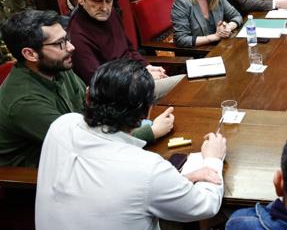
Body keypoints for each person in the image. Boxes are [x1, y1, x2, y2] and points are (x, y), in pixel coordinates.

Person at [35, 59, 226, 230]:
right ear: (146, 114)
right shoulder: (146, 168)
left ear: (89, 95)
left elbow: (107, 180)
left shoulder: (61, 126)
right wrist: (213, 158)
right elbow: (205, 206)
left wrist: (180, 181)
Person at [0, 10, 172, 167]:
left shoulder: (56, 66)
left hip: (83, 151)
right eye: (60, 43)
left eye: (67, 38)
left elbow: (91, 112)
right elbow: (83, 144)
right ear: (30, 54)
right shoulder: (24, 102)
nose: (71, 47)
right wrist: (149, 132)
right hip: (42, 175)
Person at [68, 0, 183, 98]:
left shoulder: (110, 14)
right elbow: (100, 81)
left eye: (108, 1)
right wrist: (142, 75)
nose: (105, 7)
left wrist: (147, 66)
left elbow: (129, 48)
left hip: (135, 75)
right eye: (97, 0)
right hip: (121, 93)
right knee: (185, 84)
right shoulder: (77, 35)